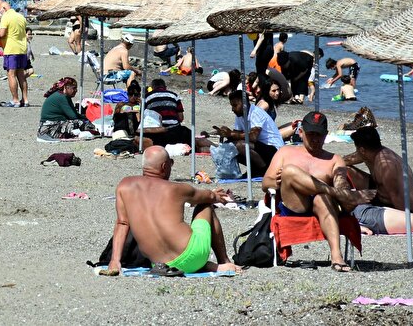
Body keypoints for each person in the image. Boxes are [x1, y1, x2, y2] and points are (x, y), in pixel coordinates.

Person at [262, 111, 375, 272]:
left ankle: (336, 256)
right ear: (301, 133)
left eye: (319, 135)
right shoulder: (286, 152)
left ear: (326, 135)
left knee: (322, 198)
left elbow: (342, 186)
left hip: (323, 205)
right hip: (295, 204)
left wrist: (339, 191)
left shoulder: (334, 160)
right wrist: (279, 181)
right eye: (311, 134)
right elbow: (266, 183)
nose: (315, 139)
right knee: (289, 171)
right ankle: (328, 191)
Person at [104, 146, 238, 276]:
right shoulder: (176, 189)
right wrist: (216, 196)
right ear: (164, 166)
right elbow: (206, 197)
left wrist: (115, 261)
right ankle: (224, 261)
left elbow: (122, 223)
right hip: (193, 255)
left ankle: (204, 266)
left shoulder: (124, 185)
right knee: (205, 205)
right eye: (170, 163)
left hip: (159, 264)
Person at [342, 126, 413, 235]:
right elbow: (350, 159)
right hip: (381, 192)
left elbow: (400, 202)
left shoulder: (385, 166)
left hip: (398, 204)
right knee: (344, 169)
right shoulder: (373, 152)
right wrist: (334, 161)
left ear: (362, 150)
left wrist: (403, 221)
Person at [214, 90, 284, 177]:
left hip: (275, 150)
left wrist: (231, 134)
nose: (232, 109)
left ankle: (263, 170)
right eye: (232, 106)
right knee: (230, 145)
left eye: (235, 105)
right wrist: (225, 133)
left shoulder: (256, 113)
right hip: (260, 148)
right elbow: (237, 134)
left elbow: (253, 136)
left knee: (241, 145)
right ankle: (255, 169)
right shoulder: (240, 115)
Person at [0, 0, 30, 107]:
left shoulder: (6, 17)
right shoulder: (21, 16)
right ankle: (25, 100)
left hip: (11, 48)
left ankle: (15, 100)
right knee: (21, 75)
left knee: (11, 74)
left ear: (3, 8)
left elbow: (2, 34)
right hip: (22, 48)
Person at [37, 77, 95, 142]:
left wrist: (85, 117)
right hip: (49, 127)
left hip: (49, 124)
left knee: (83, 122)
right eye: (74, 88)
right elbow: (73, 116)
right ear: (66, 87)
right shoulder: (62, 97)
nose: (76, 90)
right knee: (80, 123)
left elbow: (74, 114)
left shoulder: (64, 96)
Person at [141, 79, 193, 148]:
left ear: (152, 87)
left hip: (157, 132)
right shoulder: (174, 96)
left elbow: (142, 117)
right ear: (165, 87)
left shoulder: (147, 97)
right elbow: (181, 118)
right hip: (176, 131)